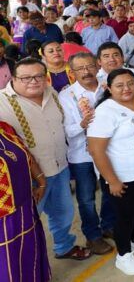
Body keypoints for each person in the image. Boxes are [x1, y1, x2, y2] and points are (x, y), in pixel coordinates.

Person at [0, 58, 92, 261]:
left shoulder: (53, 94)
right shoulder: (2, 102)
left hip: (59, 167)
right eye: (26, 77)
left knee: (64, 213)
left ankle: (64, 247)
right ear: (13, 78)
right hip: (27, 177)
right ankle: (24, 265)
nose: (33, 81)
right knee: (26, 223)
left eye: (38, 76)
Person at [87, 69, 134, 275]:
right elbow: (96, 150)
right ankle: (123, 255)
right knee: (125, 215)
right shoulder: (105, 111)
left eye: (130, 83)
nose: (126, 88)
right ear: (109, 88)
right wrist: (112, 180)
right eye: (119, 85)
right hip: (121, 174)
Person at [59, 52, 115, 256]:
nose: (86, 71)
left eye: (90, 66)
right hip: (81, 155)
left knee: (110, 190)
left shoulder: (107, 87)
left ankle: (108, 225)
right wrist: (82, 124)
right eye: (80, 68)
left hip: (108, 150)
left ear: (97, 65)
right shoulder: (66, 96)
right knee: (86, 198)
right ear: (72, 72)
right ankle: (93, 236)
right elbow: (66, 130)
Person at [0, 120, 51, 281]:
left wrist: (41, 181)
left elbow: (27, 156)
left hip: (25, 205)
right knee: (6, 262)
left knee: (28, 251)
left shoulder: (5, 128)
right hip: (3, 218)